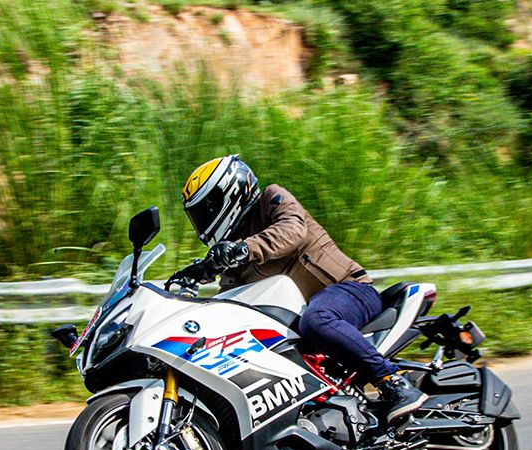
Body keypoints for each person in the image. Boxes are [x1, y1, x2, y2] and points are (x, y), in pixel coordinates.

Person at [178, 154, 426, 424]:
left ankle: (392, 381)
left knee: (317, 320)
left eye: (206, 211)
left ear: (229, 194)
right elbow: (231, 304)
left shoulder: (271, 199)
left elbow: (293, 231)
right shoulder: (235, 259)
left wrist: (244, 249)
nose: (202, 222)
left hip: (351, 290)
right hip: (305, 319)